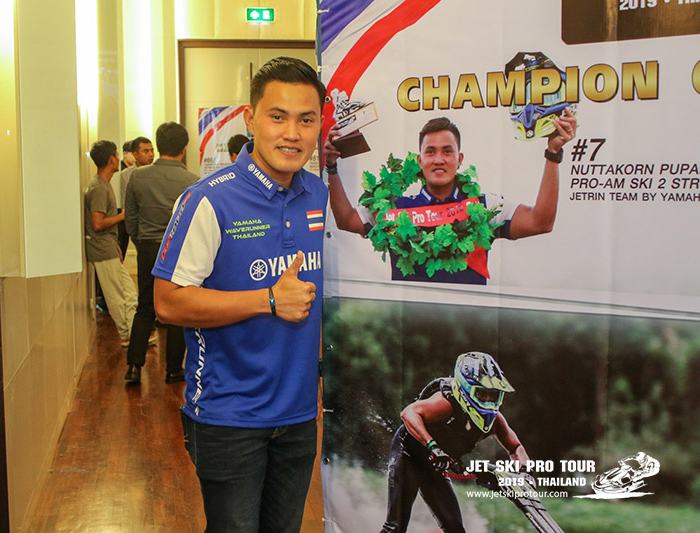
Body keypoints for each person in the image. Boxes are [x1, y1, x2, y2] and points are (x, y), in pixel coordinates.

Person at [151, 57, 327, 532]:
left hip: (298, 416)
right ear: (251, 119)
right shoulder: (209, 199)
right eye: (277, 117)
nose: (292, 133)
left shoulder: (319, 195)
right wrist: (267, 299)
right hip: (228, 417)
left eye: (306, 120)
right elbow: (167, 302)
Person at [324, 112, 577, 284]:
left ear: (460, 159)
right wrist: (331, 167)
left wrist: (553, 153)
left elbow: (540, 222)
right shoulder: (396, 207)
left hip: (467, 330)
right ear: (419, 160)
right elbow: (346, 220)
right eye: (430, 152)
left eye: (447, 151)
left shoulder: (484, 206)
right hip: (408, 333)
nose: (439, 160)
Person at [381, 352, 529, 533]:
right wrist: (433, 446)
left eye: (493, 395)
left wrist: (525, 472)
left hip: (434, 466)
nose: (488, 401)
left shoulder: (495, 421)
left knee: (455, 530)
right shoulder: (445, 404)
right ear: (466, 389)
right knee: (395, 528)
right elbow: (409, 413)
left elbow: (515, 447)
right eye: (481, 394)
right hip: (408, 455)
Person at [123, 123, 198, 383]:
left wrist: (142, 241)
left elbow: (130, 219)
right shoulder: (193, 182)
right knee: (176, 306)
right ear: (184, 148)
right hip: (178, 251)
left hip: (147, 246)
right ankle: (174, 369)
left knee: (145, 305)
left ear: (157, 145)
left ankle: (134, 367)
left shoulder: (137, 177)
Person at [84, 140, 138, 345]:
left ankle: (132, 331)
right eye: (116, 154)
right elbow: (97, 223)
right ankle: (126, 335)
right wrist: (122, 216)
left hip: (108, 247)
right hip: (101, 249)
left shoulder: (103, 185)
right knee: (116, 294)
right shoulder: (98, 187)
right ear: (111, 159)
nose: (119, 158)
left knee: (128, 291)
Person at [118, 136, 155, 258]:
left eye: (152, 150)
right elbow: (127, 206)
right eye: (146, 151)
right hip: (139, 229)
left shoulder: (157, 173)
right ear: (135, 155)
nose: (151, 154)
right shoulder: (127, 175)